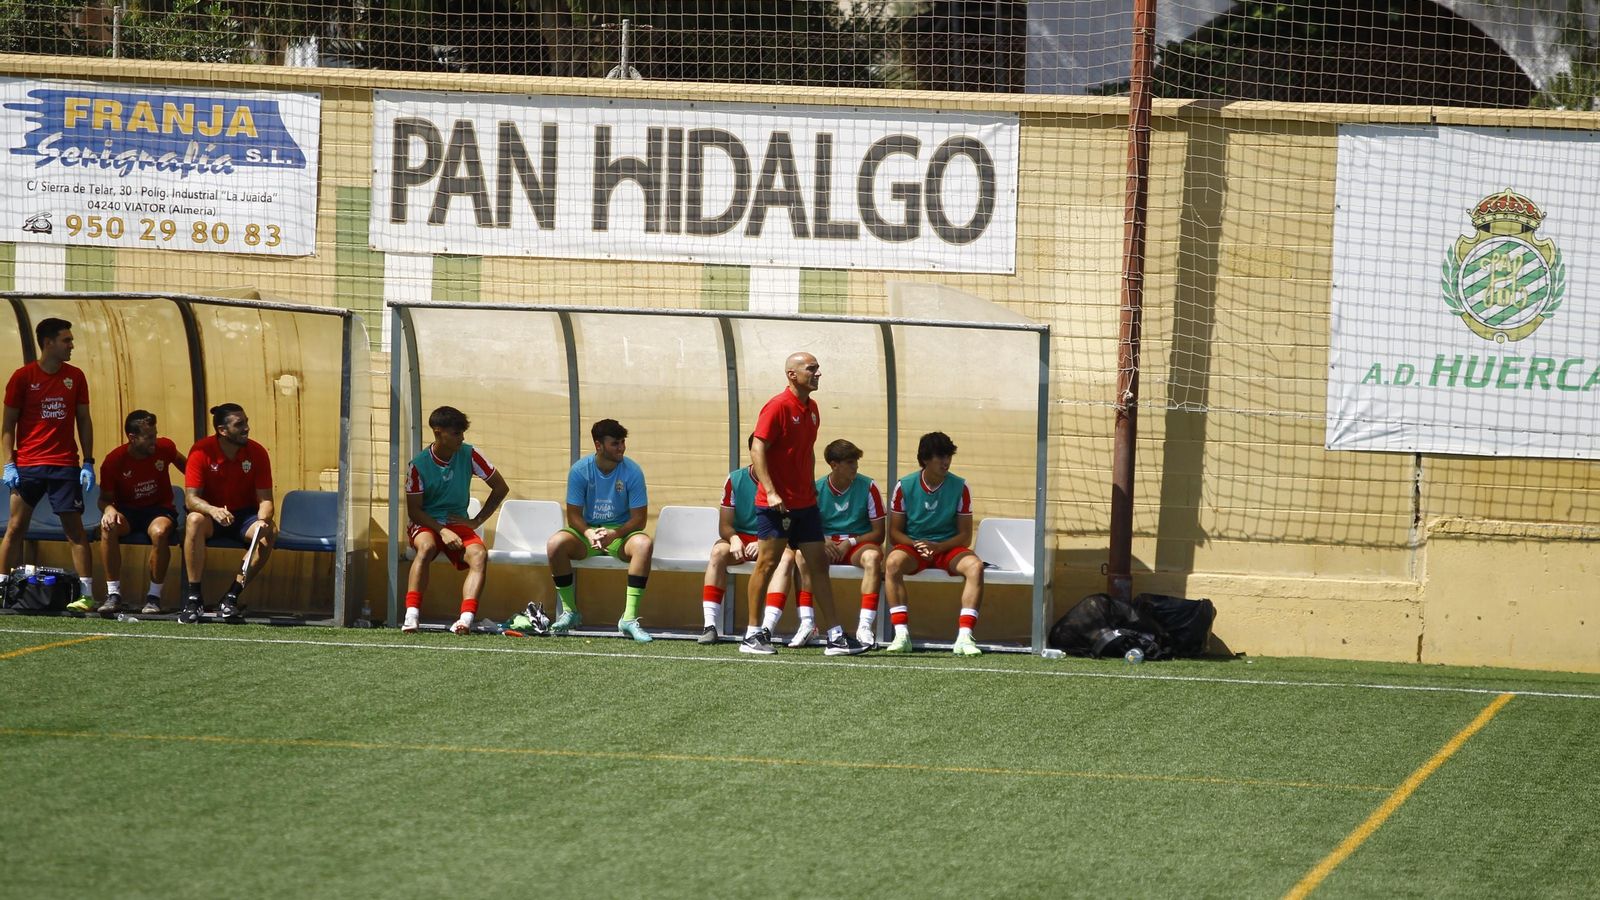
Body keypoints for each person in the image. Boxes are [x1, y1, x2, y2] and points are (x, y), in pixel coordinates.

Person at [742, 352, 869, 657]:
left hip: (805, 506)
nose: (817, 374)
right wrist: (771, 491)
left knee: (819, 565)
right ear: (792, 374)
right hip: (777, 507)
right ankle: (751, 634)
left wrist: (809, 491)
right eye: (811, 369)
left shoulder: (812, 409)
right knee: (767, 564)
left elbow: (807, 453)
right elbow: (758, 446)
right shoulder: (777, 406)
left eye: (818, 369)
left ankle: (836, 637)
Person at [0, 317, 96, 611]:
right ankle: (2, 587)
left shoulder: (75, 376)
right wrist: (9, 464)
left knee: (75, 531)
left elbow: (83, 420)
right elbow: (8, 425)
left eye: (71, 340)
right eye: (66, 340)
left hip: (64, 466)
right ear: (48, 343)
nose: (71, 345)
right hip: (28, 465)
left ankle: (86, 595)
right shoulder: (22, 377)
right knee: (16, 527)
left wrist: (89, 462)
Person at [401, 406, 509, 635]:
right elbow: (415, 511)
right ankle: (411, 615)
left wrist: (476, 521)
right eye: (456, 433)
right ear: (438, 432)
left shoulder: (469, 454)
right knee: (426, 547)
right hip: (427, 523)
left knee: (480, 554)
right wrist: (441, 530)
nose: (462, 438)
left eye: (462, 433)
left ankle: (465, 619)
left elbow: (501, 487)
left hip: (455, 522)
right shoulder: (417, 465)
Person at [545, 419, 654, 643]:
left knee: (644, 545)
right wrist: (588, 533)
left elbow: (639, 519)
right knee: (555, 544)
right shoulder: (580, 470)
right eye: (615, 443)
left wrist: (614, 534)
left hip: (619, 535)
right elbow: (573, 515)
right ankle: (570, 612)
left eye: (623, 442)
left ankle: (629, 619)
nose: (621, 448)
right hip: (588, 533)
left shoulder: (632, 471)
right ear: (598, 445)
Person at [882, 431, 985, 656]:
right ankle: (901, 635)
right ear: (925, 459)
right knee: (892, 563)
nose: (946, 462)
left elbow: (965, 536)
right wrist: (917, 544)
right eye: (940, 456)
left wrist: (939, 547)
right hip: (914, 548)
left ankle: (965, 637)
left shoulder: (960, 486)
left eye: (948, 456)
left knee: (975, 567)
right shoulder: (904, 485)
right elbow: (894, 533)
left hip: (947, 548)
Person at [699, 435, 799, 645]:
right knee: (718, 552)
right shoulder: (735, 479)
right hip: (741, 540)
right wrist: (734, 539)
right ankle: (710, 626)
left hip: (773, 539)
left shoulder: (787, 480)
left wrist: (764, 543)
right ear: (755, 453)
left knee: (787, 558)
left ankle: (766, 628)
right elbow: (725, 525)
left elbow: (791, 524)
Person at [180, 403, 275, 624]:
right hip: (211, 516)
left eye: (246, 422)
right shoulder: (200, 451)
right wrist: (212, 510)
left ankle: (231, 597)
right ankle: (194, 598)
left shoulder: (257, 452)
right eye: (239, 424)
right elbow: (191, 499)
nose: (246, 428)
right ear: (222, 430)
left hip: (245, 517)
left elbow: (266, 499)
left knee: (269, 532)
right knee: (193, 520)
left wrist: (263, 520)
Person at [796, 438, 886, 648]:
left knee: (873, 557)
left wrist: (850, 541)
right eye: (849, 463)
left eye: (855, 462)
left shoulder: (868, 486)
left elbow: (878, 533)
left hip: (857, 545)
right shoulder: (816, 489)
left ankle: (864, 626)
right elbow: (805, 526)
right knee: (801, 555)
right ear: (834, 465)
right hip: (825, 545)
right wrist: (821, 538)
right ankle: (807, 623)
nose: (855, 467)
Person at [95, 410, 185, 615]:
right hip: (127, 512)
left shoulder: (165, 448)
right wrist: (109, 510)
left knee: (160, 532)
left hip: (159, 510)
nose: (155, 441)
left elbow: (190, 469)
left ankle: (154, 598)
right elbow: (104, 500)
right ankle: (113, 595)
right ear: (132, 438)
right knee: (107, 527)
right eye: (149, 437)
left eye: (155, 434)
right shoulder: (114, 461)